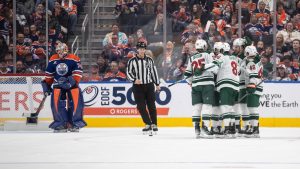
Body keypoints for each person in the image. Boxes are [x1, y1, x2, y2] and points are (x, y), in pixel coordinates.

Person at [42, 42, 86, 132]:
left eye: (61, 51)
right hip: (58, 84)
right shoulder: (53, 58)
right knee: (56, 104)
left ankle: (74, 123)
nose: (60, 53)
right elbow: (49, 74)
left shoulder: (74, 58)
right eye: (58, 51)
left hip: (72, 84)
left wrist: (71, 82)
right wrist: (47, 85)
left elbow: (78, 72)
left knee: (76, 103)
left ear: (66, 50)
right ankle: (61, 123)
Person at [126, 41, 160, 135]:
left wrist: (157, 84)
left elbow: (154, 72)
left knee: (151, 106)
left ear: (145, 49)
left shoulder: (149, 60)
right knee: (141, 107)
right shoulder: (132, 61)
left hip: (149, 85)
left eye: (143, 49)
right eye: (140, 49)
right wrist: (134, 80)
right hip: (137, 87)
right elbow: (128, 73)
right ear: (137, 49)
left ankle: (154, 124)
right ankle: (148, 123)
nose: (142, 50)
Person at [184, 39, 214, 139]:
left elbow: (187, 75)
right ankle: (205, 128)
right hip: (207, 84)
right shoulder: (207, 55)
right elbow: (214, 67)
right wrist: (205, 67)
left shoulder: (191, 58)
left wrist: (191, 82)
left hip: (196, 85)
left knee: (197, 107)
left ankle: (197, 130)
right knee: (207, 106)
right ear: (204, 47)